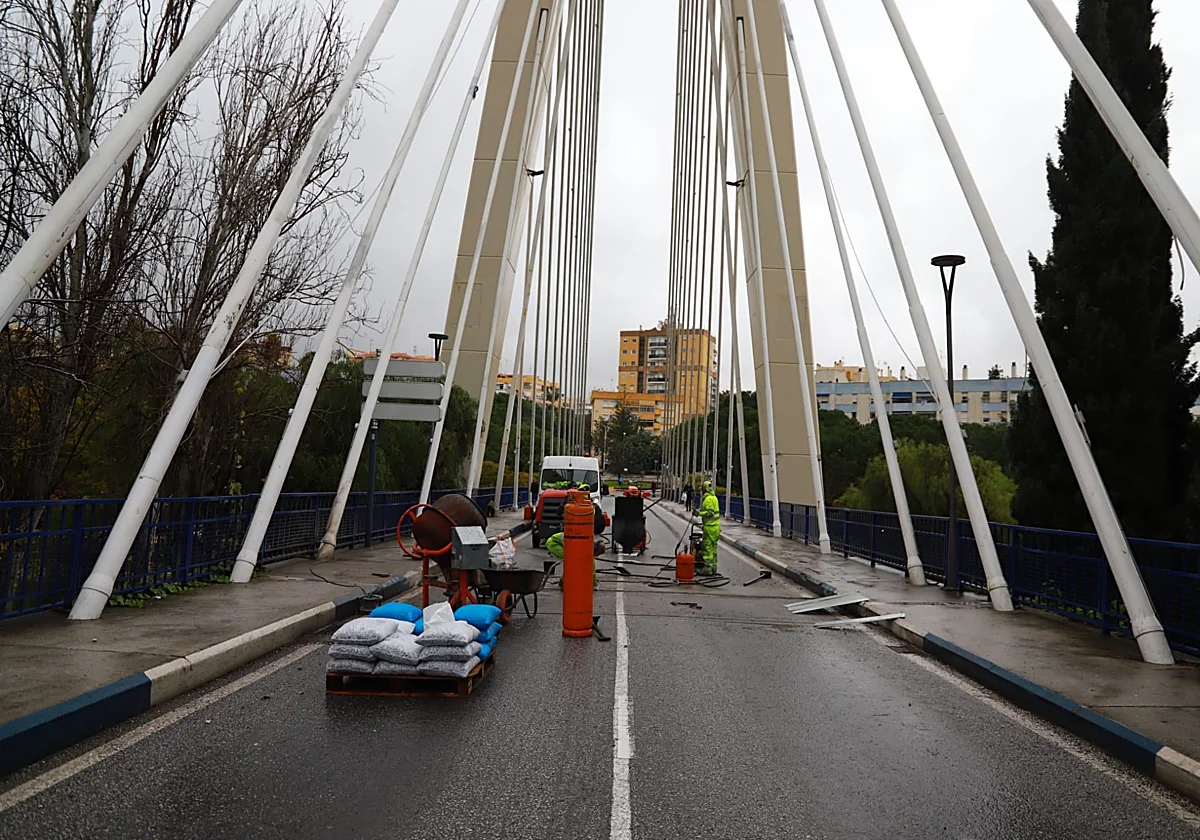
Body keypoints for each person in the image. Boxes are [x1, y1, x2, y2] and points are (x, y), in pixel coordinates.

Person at [698, 479, 721, 576]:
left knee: (707, 549)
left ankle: (707, 569)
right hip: (716, 527)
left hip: (710, 527)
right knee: (714, 549)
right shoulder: (714, 498)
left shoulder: (708, 499)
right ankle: (714, 568)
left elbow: (710, 513)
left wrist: (699, 513)